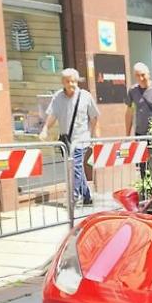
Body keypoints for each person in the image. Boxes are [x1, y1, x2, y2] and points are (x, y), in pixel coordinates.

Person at [40, 68, 99, 206]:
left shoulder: (85, 96)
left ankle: (74, 196)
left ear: (77, 81)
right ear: (63, 82)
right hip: (66, 140)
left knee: (75, 166)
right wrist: (45, 129)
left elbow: (94, 117)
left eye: (73, 81)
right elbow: (53, 115)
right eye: (68, 81)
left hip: (81, 139)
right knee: (76, 167)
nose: (71, 84)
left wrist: (93, 134)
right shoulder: (58, 97)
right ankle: (87, 196)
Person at [125, 62, 152, 137]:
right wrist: (127, 134)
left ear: (148, 74)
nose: (140, 78)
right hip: (139, 133)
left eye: (143, 75)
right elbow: (129, 112)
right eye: (137, 76)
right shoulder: (132, 91)